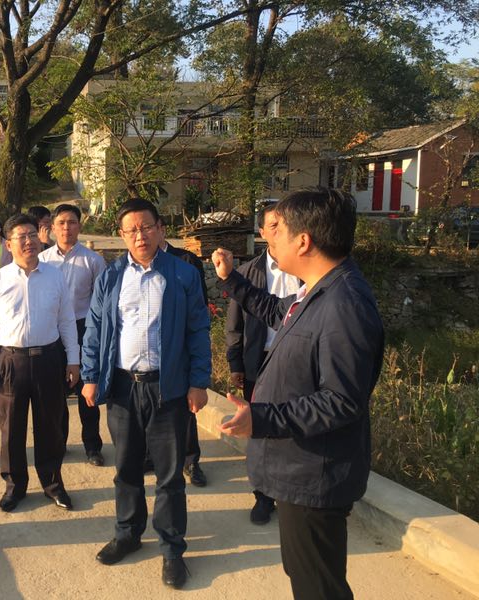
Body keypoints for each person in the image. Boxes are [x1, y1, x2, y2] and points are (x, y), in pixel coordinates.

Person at [212, 187, 384, 600]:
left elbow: (341, 400)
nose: (269, 237)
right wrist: (232, 280)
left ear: (303, 241)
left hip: (315, 475)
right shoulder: (317, 290)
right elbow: (276, 311)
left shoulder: (344, 304)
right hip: (301, 470)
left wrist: (261, 418)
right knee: (304, 575)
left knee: (317, 587)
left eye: (279, 229)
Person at [82, 198, 211, 590]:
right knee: (126, 468)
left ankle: (172, 549)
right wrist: (90, 376)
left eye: (147, 227)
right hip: (123, 387)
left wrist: (198, 382)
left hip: (167, 388)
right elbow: (95, 328)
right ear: (122, 235)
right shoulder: (111, 276)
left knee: (170, 476)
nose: (140, 235)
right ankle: (128, 533)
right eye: (132, 230)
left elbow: (198, 330)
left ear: (160, 229)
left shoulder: (181, 274)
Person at [0, 214, 79, 513]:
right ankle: (14, 486)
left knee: (50, 427)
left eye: (33, 234)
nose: (29, 241)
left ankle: (53, 484)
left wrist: (73, 360)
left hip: (49, 359)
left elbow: (67, 320)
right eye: (21, 236)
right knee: (11, 429)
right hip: (11, 362)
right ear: (8, 244)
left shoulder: (55, 276)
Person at [225, 202, 300, 524]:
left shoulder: (305, 270)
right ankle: (263, 495)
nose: (279, 231)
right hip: (260, 361)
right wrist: (235, 363)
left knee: (295, 427)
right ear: (261, 232)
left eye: (285, 225)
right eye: (273, 226)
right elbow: (234, 325)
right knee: (259, 430)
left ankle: (291, 494)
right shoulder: (248, 274)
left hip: (295, 360)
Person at [39, 204, 107, 466]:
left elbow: (101, 302)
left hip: (83, 330)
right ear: (52, 228)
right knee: (55, 393)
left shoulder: (93, 261)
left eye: (72, 222)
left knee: (86, 391)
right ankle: (59, 444)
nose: (66, 228)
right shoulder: (43, 260)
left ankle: (93, 447)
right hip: (52, 331)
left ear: (80, 226)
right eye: (61, 223)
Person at [153, 215, 209, 488]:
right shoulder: (130, 266)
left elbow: (200, 309)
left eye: (150, 227)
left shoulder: (186, 261)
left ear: (161, 230)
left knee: (185, 411)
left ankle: (191, 460)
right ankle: (151, 457)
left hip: (180, 349)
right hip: (148, 355)